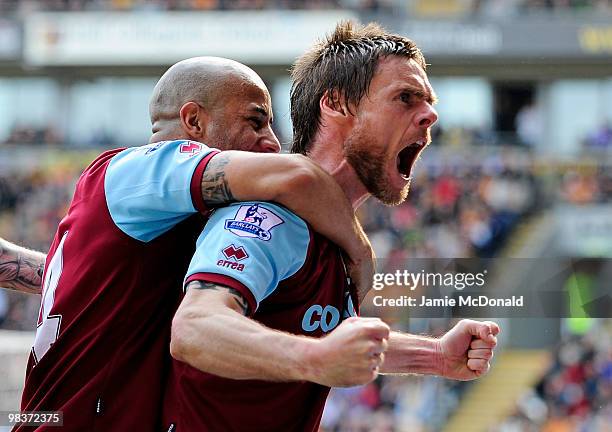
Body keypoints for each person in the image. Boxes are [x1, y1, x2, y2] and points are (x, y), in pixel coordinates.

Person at [163, 22, 500, 432]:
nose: (430, 115)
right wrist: (315, 361)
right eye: (405, 98)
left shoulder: (335, 235)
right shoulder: (268, 218)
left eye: (427, 101)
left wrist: (435, 357)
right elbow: (194, 328)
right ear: (337, 104)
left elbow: (319, 330)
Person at [7, 56, 374, 431]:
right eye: (255, 120)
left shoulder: (151, 225)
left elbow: (72, 277)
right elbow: (298, 176)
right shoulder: (141, 168)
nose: (272, 142)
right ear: (194, 121)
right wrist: (360, 253)